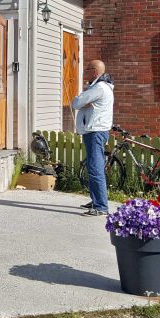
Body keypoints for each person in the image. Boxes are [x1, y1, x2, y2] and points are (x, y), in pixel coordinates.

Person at [71, 60, 115, 217]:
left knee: (95, 168)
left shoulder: (98, 88)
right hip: (95, 131)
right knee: (93, 166)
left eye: (87, 69)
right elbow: (81, 103)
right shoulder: (100, 87)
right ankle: (96, 199)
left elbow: (76, 103)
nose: (84, 71)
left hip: (95, 132)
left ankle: (101, 206)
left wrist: (83, 102)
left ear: (95, 71)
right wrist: (84, 102)